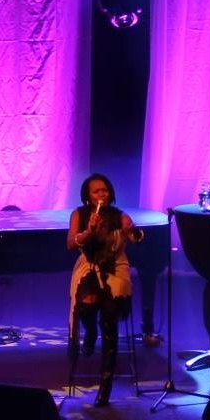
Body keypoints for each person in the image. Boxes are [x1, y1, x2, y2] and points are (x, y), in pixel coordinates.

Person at [67, 172, 142, 406]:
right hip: (89, 266)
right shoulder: (79, 215)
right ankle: (89, 332)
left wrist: (133, 229)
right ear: (88, 196)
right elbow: (70, 244)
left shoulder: (119, 216)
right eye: (97, 191)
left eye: (105, 190)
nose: (102, 194)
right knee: (87, 304)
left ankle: (105, 386)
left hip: (116, 268)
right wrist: (89, 230)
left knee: (109, 320)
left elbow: (137, 238)